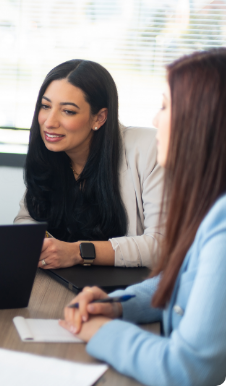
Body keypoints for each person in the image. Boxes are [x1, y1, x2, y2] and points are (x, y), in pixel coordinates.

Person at [60, 48, 226, 386]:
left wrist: (103, 331)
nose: (154, 120)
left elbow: (187, 370)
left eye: (165, 105)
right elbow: (185, 285)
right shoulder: (210, 203)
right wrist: (118, 305)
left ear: (204, 119)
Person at [14, 60, 163, 268]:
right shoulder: (50, 153)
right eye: (45, 106)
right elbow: (25, 220)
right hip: (60, 281)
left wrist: (77, 253)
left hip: (128, 288)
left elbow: (162, 244)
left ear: (100, 118)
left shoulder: (150, 148)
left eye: (68, 111)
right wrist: (39, 244)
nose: (49, 122)